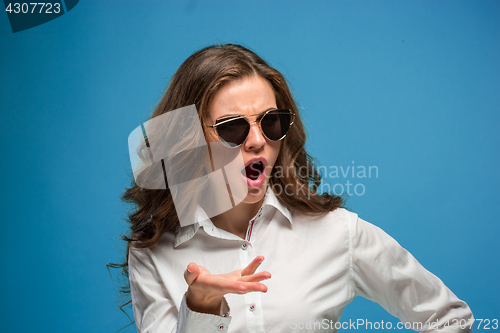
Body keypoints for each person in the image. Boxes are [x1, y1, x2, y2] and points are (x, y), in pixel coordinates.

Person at [120, 44, 474, 332]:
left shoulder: (337, 233)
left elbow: (450, 318)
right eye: (233, 128)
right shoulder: (152, 252)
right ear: (190, 141)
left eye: (271, 122)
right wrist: (200, 309)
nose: (258, 141)